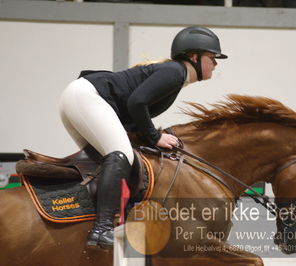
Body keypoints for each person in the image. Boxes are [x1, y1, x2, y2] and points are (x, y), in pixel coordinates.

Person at [58, 26, 227, 248]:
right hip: (87, 97)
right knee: (120, 155)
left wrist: (149, 136)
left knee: (106, 163)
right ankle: (102, 229)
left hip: (78, 98)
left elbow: (134, 111)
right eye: (212, 57)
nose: (216, 63)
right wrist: (155, 137)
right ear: (194, 57)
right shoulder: (175, 72)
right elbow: (137, 103)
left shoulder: (175, 74)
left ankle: (91, 220)